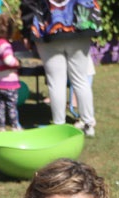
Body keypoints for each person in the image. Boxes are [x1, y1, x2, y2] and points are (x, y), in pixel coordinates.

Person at [21, 0, 100, 136]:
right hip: (79, 25)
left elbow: (28, 3)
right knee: (81, 79)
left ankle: (59, 126)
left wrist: (27, 31)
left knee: (56, 82)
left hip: (48, 27)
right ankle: (88, 125)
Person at [0, 13, 23, 131]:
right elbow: (8, 60)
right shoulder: (6, 46)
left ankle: (1, 126)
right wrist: (17, 63)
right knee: (12, 106)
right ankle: (15, 126)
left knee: (0, 106)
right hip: (9, 83)